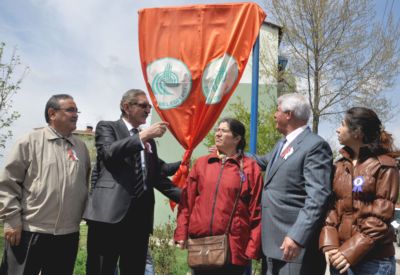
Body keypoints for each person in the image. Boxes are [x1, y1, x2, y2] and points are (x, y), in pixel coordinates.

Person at [83, 89, 180, 275]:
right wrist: (143, 136)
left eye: (149, 107)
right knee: (101, 269)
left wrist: (186, 168)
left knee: (134, 269)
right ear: (126, 107)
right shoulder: (108, 127)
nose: (148, 110)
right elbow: (109, 153)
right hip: (109, 216)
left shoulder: (148, 142)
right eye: (143, 105)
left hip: (139, 218)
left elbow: (157, 175)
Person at [0, 94, 91, 275]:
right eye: (70, 110)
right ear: (52, 113)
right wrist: (11, 220)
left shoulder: (81, 147)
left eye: (76, 110)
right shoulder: (30, 141)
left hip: (67, 235)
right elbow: (8, 183)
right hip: (29, 231)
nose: (76, 115)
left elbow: (84, 184)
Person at [252, 93, 333, 275]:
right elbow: (260, 161)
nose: (274, 115)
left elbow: (318, 197)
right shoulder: (281, 144)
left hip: (295, 247)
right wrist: (234, 152)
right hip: (273, 244)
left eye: (277, 110)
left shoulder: (315, 146)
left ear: (288, 114)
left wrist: (297, 236)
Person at [174, 117, 263, 275]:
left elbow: (257, 210)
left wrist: (253, 247)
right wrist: (181, 232)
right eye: (217, 130)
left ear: (237, 138)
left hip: (234, 249)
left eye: (224, 131)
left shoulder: (250, 168)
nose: (218, 134)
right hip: (201, 247)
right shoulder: (201, 164)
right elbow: (186, 202)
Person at [319, 107, 400, 275]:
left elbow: (380, 218)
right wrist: (330, 243)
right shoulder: (339, 166)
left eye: (342, 125)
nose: (337, 129)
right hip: (340, 257)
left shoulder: (385, 166)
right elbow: (331, 207)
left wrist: (349, 252)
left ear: (357, 132)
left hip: (373, 262)